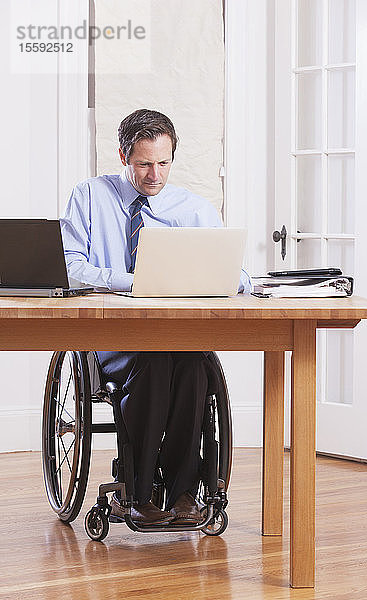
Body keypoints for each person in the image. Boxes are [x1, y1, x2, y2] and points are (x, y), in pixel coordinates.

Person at [61, 109, 251, 526]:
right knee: (154, 360)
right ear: (123, 156)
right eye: (144, 164)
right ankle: (140, 490)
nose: (154, 175)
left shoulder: (193, 209)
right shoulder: (90, 197)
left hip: (175, 333)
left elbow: (236, 274)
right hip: (112, 336)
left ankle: (184, 491)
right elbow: (71, 266)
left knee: (193, 365)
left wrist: (233, 280)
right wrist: (130, 281)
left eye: (163, 163)